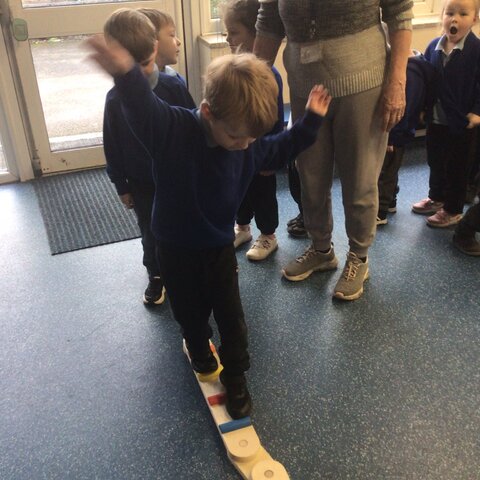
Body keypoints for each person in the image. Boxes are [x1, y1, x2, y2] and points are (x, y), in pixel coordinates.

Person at [87, 36, 331, 418]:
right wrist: (125, 72)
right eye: (236, 135)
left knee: (232, 320)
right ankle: (199, 349)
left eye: (251, 137)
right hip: (174, 248)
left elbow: (283, 145)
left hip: (218, 249)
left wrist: (312, 118)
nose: (244, 145)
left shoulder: (247, 144)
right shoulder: (173, 129)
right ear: (207, 113)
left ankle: (236, 377)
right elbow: (142, 107)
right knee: (189, 312)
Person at [254, 1, 413, 301]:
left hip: (364, 79)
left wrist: (397, 81)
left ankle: (359, 256)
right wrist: (249, 85)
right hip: (303, 84)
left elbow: (399, 11)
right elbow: (269, 20)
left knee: (359, 178)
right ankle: (321, 249)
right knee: (309, 176)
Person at [102, 8, 195, 306]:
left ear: (153, 50)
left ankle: (187, 267)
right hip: (142, 182)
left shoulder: (174, 86)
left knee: (183, 224)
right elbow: (112, 145)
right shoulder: (115, 100)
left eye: (142, 63)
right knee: (150, 230)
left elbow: (193, 129)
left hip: (176, 177)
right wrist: (121, 185)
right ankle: (156, 274)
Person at [222, 0, 285, 261]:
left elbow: (276, 119)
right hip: (238, 151)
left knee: (263, 194)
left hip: (261, 154)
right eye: (226, 32)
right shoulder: (232, 69)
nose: (228, 38)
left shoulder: (268, 74)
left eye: (234, 32)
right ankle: (243, 227)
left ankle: (268, 234)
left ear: (255, 33)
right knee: (240, 192)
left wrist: (272, 157)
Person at [412, 0, 480, 227]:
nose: (455, 19)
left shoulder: (476, 50)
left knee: (457, 167)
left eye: (463, 14)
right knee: (436, 161)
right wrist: (422, 108)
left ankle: (452, 209)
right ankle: (437, 197)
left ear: (474, 19)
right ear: (442, 17)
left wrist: (476, 112)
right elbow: (426, 81)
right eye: (450, 13)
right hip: (436, 119)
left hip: (462, 123)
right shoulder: (434, 47)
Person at [377, 47, 435, 225]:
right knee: (391, 169)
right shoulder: (419, 63)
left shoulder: (408, 72)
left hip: (395, 133)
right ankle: (391, 201)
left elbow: (402, 109)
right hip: (400, 131)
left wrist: (391, 137)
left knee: (385, 172)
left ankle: (380, 211)